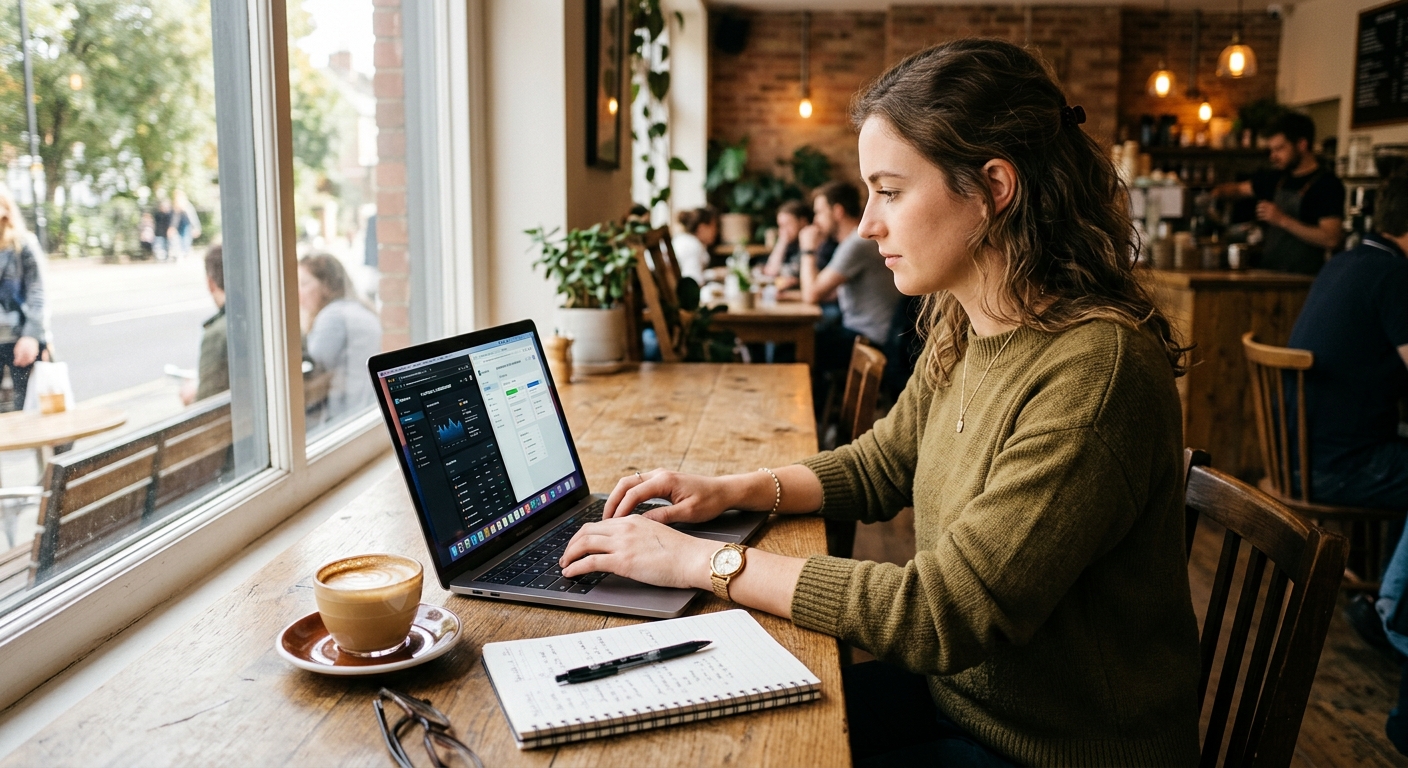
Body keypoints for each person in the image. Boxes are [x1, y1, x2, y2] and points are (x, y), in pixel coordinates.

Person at [557, 39, 1200, 767]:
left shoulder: (1095, 371)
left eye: (889, 191)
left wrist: (704, 565)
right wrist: (724, 492)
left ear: (994, 187)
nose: (867, 224)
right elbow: (880, 464)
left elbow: (942, 613)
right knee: (704, 735)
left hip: (1056, 748)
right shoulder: (971, 319)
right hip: (958, 699)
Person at [1289, 174, 1408, 756]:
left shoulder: (1344, 262)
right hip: (1338, 467)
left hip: (1302, 458)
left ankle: (1385, 600)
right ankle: (1393, 609)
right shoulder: (1395, 276)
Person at [799, 180, 904, 410]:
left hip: (869, 340)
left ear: (837, 211)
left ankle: (809, 418)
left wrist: (808, 249)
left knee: (797, 347)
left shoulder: (857, 243)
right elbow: (829, 292)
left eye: (819, 212)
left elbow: (811, 294)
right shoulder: (852, 243)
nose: (815, 220)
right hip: (864, 332)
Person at [1213, 112, 1345, 275]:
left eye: (1279, 149)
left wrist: (1282, 219)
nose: (1273, 156)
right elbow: (1239, 189)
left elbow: (1331, 238)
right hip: (1269, 273)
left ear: (1302, 144)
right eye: (1271, 150)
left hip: (1301, 282)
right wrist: (1214, 195)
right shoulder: (1277, 177)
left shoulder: (1327, 184)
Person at [298, 253, 382, 424]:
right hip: (365, 410)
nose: (298, 291)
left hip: (345, 414)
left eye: (304, 283)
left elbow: (316, 367)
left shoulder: (332, 317)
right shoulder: (358, 307)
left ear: (326, 285)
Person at [0, 184, 47, 412]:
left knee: (30, 413)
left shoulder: (22, 245)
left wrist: (31, 336)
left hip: (18, 339)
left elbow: (38, 293)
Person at [182, 245, 227, 406]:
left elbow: (207, 409)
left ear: (210, 282)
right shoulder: (269, 318)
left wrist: (191, 397)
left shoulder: (217, 335)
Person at [762, 199, 813, 290]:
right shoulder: (790, 245)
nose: (783, 231)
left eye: (787, 224)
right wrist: (782, 242)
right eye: (780, 226)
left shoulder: (813, 244)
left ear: (803, 222)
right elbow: (770, 271)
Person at [672, 207, 717, 285]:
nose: (716, 231)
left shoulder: (683, 240)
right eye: (714, 226)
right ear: (702, 228)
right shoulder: (692, 246)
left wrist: (712, 273)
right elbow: (694, 282)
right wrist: (715, 274)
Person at [173, 190, 202, 261]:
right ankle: (182, 254)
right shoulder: (176, 207)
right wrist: (173, 227)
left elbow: (193, 217)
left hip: (187, 225)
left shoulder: (188, 206)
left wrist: (196, 227)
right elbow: (175, 219)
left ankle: (185, 254)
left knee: (186, 240)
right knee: (179, 240)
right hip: (179, 226)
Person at [152, 197, 175, 262]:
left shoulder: (170, 214)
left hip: (167, 233)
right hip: (159, 233)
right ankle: (161, 258)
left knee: (168, 246)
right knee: (160, 247)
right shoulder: (158, 214)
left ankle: (168, 257)